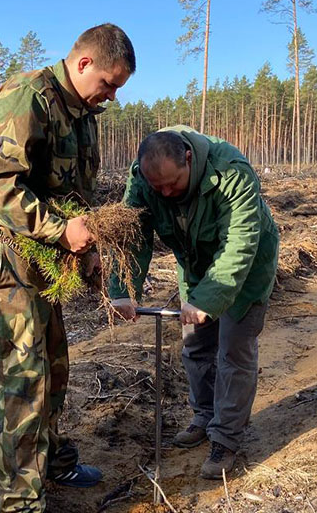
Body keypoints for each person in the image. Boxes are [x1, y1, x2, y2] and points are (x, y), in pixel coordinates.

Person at [0, 24, 135, 513]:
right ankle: (18, 503)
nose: (112, 97)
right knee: (26, 379)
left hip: (47, 262)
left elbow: (75, 193)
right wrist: (62, 230)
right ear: (83, 64)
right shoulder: (28, 96)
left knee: (56, 366)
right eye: (109, 84)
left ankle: (53, 462)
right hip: (9, 258)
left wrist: (84, 248)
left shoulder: (85, 115)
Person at [109, 126, 279, 479]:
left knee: (233, 350)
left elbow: (238, 243)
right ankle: (204, 416)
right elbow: (134, 236)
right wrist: (124, 288)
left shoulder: (230, 171)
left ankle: (226, 438)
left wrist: (208, 300)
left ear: (188, 158)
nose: (167, 193)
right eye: (159, 189)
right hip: (195, 263)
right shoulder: (143, 180)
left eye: (173, 183)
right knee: (196, 346)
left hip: (246, 267)